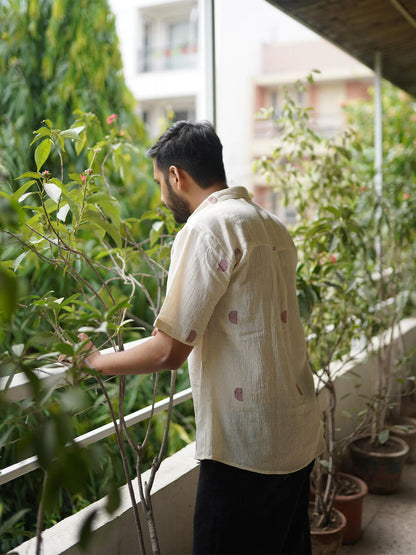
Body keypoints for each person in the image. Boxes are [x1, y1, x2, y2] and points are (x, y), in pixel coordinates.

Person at [81, 121, 325, 554]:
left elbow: (168, 350)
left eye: (160, 182)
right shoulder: (271, 226)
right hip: (297, 433)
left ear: (177, 176)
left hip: (246, 449)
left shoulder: (208, 227)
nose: (161, 196)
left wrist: (96, 361)